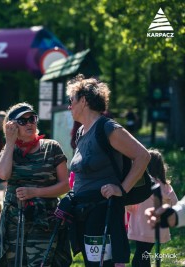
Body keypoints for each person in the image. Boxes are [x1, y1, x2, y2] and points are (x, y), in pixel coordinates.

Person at [66, 74, 150, 267]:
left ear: (84, 101)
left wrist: (121, 189)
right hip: (84, 212)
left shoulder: (107, 127)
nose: (69, 106)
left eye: (71, 100)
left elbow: (143, 156)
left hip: (104, 213)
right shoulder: (81, 132)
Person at [0, 102, 72, 267]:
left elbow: (66, 185)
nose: (29, 123)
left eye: (32, 118)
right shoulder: (10, 150)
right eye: (23, 121)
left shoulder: (51, 147)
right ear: (13, 125)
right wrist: (9, 143)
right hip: (14, 221)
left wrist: (35, 192)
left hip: (44, 219)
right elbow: (2, 174)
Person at [126, 149, 178, 267]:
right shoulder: (165, 187)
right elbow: (175, 204)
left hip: (140, 227)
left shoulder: (140, 186)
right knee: (143, 255)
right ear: (161, 167)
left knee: (140, 257)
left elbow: (130, 206)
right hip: (157, 228)